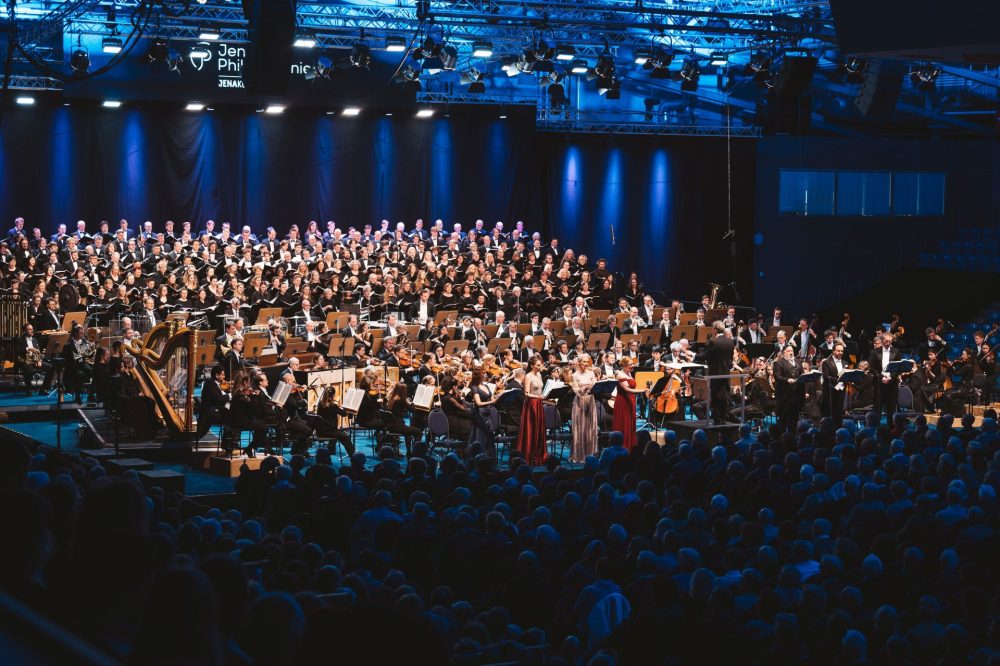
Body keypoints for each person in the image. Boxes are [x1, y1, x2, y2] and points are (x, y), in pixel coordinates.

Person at [701, 320, 735, 425]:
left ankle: (717, 419)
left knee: (715, 396)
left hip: (715, 373)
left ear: (715, 330)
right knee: (724, 395)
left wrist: (693, 356)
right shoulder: (730, 341)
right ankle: (723, 418)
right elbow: (730, 359)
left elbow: (707, 356)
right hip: (726, 373)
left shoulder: (714, 341)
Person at [516, 356, 548, 465]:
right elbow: (526, 393)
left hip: (539, 403)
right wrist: (538, 397)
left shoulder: (539, 375)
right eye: (538, 365)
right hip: (531, 404)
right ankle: (530, 455)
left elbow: (540, 389)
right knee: (531, 429)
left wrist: (543, 396)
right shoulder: (528, 376)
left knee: (539, 429)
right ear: (532, 365)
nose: (540, 367)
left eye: (540, 364)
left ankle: (539, 454)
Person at [612, 357, 646, 451]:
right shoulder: (620, 374)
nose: (633, 366)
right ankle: (623, 447)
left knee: (630, 423)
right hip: (623, 402)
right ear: (624, 365)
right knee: (624, 424)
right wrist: (642, 390)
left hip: (630, 401)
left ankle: (630, 446)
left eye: (632, 363)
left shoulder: (628, 373)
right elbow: (627, 390)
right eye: (630, 364)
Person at [313, 386, 356, 457]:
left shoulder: (321, 404)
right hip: (328, 431)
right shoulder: (333, 406)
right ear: (333, 395)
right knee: (345, 437)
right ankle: (353, 456)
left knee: (337, 432)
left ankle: (331, 450)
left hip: (320, 430)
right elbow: (344, 414)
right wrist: (346, 409)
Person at [868, 331, 902, 422]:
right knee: (877, 409)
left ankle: (891, 429)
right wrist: (881, 377)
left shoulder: (896, 351)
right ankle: (875, 429)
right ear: (882, 340)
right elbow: (872, 368)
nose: (888, 343)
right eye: (886, 341)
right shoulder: (874, 352)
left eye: (890, 341)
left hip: (892, 384)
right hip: (879, 384)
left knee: (891, 409)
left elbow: (898, 368)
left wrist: (891, 377)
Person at [570, 355, 598, 463]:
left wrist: (591, 386)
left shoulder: (591, 373)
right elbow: (577, 391)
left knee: (590, 428)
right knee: (580, 428)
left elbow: (595, 385)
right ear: (579, 363)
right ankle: (579, 455)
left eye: (587, 362)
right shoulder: (575, 375)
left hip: (590, 400)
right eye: (583, 362)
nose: (586, 364)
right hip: (580, 402)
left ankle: (590, 453)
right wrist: (584, 388)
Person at [14, 323, 53, 395]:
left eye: (32, 329)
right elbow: (18, 351)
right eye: (29, 329)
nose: (32, 331)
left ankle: (44, 389)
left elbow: (38, 351)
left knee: (50, 368)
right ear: (25, 331)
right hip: (25, 361)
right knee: (29, 370)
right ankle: (28, 389)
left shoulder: (34, 339)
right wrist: (28, 348)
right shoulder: (20, 340)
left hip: (35, 361)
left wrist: (39, 360)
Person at [385, 382, 422, 457]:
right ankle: (415, 453)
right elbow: (412, 410)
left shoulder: (392, 398)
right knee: (419, 432)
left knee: (408, 432)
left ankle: (409, 451)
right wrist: (411, 403)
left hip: (390, 425)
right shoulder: (401, 400)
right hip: (398, 426)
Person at [467, 369, 497, 460]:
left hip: (488, 413)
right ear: (478, 376)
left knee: (489, 436)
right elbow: (478, 403)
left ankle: (489, 459)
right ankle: (478, 459)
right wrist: (492, 401)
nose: (485, 375)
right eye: (483, 374)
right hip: (480, 414)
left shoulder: (486, 386)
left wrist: (497, 398)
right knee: (480, 436)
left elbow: (492, 398)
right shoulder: (474, 387)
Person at [196, 365, 231, 443]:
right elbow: (219, 399)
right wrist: (229, 396)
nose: (224, 377)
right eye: (222, 375)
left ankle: (229, 443)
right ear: (217, 375)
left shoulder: (214, 384)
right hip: (210, 413)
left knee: (232, 416)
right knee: (232, 418)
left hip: (213, 411)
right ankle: (228, 443)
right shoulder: (210, 385)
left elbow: (220, 398)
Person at [772, 344, 803, 432]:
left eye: (792, 351)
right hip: (785, 395)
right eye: (788, 351)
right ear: (783, 353)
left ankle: (792, 435)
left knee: (794, 418)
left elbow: (802, 374)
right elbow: (777, 377)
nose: (791, 353)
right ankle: (780, 437)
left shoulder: (798, 362)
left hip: (797, 394)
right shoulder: (778, 363)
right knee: (784, 418)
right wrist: (787, 379)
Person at [821, 341, 847, 424]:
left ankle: (839, 429)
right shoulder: (826, 362)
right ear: (833, 351)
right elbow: (826, 376)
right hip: (830, 392)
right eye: (838, 351)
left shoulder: (845, 362)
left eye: (842, 351)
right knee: (830, 414)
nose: (840, 353)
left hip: (841, 391)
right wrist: (838, 379)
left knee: (839, 413)